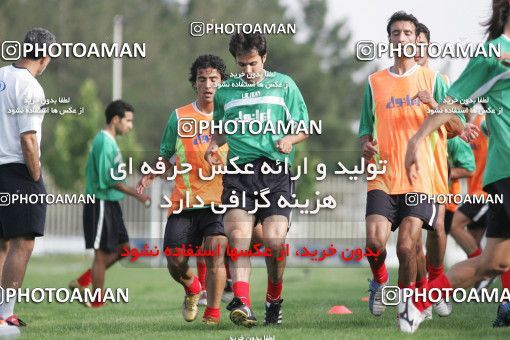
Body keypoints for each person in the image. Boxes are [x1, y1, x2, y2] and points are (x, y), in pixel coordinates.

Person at [403, 0, 510, 332]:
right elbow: (452, 102)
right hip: (506, 169)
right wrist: (417, 139)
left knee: (493, 263)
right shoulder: (492, 53)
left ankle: (418, 303)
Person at [205, 32, 309, 327]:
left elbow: (304, 127)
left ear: (264, 58)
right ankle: (243, 304)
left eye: (252, 63)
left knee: (275, 243)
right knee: (238, 236)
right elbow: (220, 131)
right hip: (238, 173)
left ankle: (273, 299)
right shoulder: (225, 92)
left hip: (275, 172)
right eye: (241, 65)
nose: (247, 71)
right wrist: (214, 146)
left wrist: (290, 139)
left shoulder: (284, 86)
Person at [137, 54, 229, 325]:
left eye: (214, 79)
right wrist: (152, 173)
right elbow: (166, 156)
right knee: (175, 262)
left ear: (222, 83)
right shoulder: (179, 117)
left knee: (216, 252)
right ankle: (192, 287)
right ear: (195, 83)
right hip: (185, 202)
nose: (208, 85)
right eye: (202, 79)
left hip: (219, 201)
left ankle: (212, 314)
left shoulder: (233, 116)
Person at [0, 27, 55, 333]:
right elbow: (28, 139)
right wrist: (35, 176)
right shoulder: (31, 87)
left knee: (2, 244)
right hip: (17, 171)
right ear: (46, 57)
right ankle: (5, 314)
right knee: (23, 244)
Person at [69, 100, 150, 307]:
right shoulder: (104, 142)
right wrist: (138, 194)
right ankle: (96, 302)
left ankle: (82, 282)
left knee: (124, 250)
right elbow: (110, 180)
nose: (130, 126)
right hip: (100, 202)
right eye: (128, 121)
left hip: (111, 204)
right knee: (101, 253)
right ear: (116, 119)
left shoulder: (111, 141)